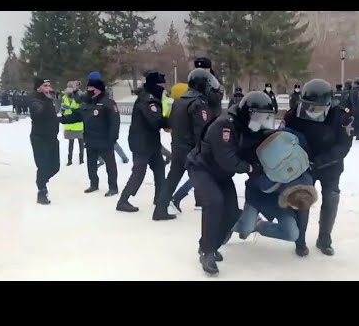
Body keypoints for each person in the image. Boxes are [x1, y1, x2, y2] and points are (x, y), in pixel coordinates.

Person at [186, 91, 274, 275]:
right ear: (246, 113)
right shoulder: (225, 125)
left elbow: (257, 146)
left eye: (265, 118)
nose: (262, 122)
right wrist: (251, 168)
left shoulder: (250, 128)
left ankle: (210, 245)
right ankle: (207, 251)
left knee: (232, 212)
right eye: (258, 117)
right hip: (202, 168)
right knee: (215, 202)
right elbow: (227, 158)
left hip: (222, 174)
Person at [282, 79, 353, 257]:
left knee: (331, 197)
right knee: (302, 199)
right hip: (304, 165)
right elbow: (284, 138)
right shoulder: (294, 115)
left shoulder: (342, 116)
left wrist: (320, 161)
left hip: (330, 165)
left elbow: (343, 147)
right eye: (309, 107)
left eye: (318, 108)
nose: (313, 112)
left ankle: (324, 239)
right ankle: (300, 240)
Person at [153, 68, 217, 219]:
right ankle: (214, 216)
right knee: (205, 181)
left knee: (172, 180)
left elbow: (172, 123)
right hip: (192, 151)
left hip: (177, 147)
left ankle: (160, 210)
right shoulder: (198, 103)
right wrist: (205, 150)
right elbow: (201, 130)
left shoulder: (179, 101)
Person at [117, 72, 171, 215]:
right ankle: (123, 200)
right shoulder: (148, 100)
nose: (163, 88)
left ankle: (159, 198)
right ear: (155, 85)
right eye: (161, 85)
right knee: (139, 172)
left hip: (150, 141)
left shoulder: (151, 97)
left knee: (159, 169)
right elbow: (155, 121)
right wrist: (170, 122)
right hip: (141, 142)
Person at [59, 78, 120, 196]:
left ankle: (113, 187)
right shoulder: (87, 104)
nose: (88, 91)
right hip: (90, 139)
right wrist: (60, 120)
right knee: (91, 164)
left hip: (105, 140)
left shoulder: (108, 103)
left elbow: (115, 122)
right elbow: (75, 116)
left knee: (110, 164)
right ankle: (94, 184)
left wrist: (112, 139)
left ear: (97, 90)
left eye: (90, 89)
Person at [28, 78, 60, 204]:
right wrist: (49, 101)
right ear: (38, 88)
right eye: (45, 86)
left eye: (49, 85)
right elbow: (39, 115)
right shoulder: (34, 99)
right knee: (43, 166)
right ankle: (42, 191)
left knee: (55, 167)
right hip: (39, 138)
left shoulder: (48, 99)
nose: (48, 88)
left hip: (52, 137)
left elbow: (53, 115)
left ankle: (41, 181)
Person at [61, 82, 84, 166]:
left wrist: (71, 108)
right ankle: (69, 160)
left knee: (81, 143)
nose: (70, 89)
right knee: (71, 144)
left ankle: (81, 159)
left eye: (72, 87)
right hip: (69, 124)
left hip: (78, 123)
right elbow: (63, 108)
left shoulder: (80, 97)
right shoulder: (64, 97)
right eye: (69, 87)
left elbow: (81, 108)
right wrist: (63, 111)